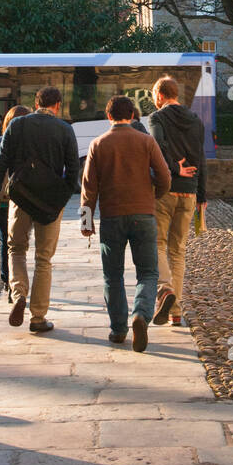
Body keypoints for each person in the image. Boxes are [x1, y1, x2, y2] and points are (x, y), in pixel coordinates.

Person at [81, 95, 171, 351]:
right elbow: (164, 177)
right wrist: (154, 197)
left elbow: (88, 190)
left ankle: (118, 330)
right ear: (132, 115)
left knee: (113, 275)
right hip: (144, 214)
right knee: (148, 271)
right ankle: (141, 314)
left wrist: (87, 222)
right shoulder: (146, 141)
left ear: (108, 117)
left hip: (111, 217)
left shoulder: (98, 144)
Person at [0, 86, 79, 334]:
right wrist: (61, 199)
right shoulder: (65, 130)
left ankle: (18, 294)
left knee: (16, 248)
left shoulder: (17, 126)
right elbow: (73, 173)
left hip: (21, 198)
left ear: (36, 103)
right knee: (43, 259)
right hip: (50, 202)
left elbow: (0, 162)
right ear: (57, 105)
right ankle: (38, 317)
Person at [146, 75, 207, 327]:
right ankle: (177, 311)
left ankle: (166, 290)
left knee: (157, 244)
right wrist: (202, 195)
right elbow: (201, 159)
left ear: (160, 95)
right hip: (190, 193)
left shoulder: (156, 118)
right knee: (178, 251)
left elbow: (157, 148)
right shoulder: (196, 120)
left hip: (166, 191)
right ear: (176, 95)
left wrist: (174, 168)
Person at [0, 105, 29, 301]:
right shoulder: (31, 144)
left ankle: (7, 281)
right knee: (20, 244)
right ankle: (19, 284)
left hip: (1, 202)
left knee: (6, 241)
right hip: (25, 201)